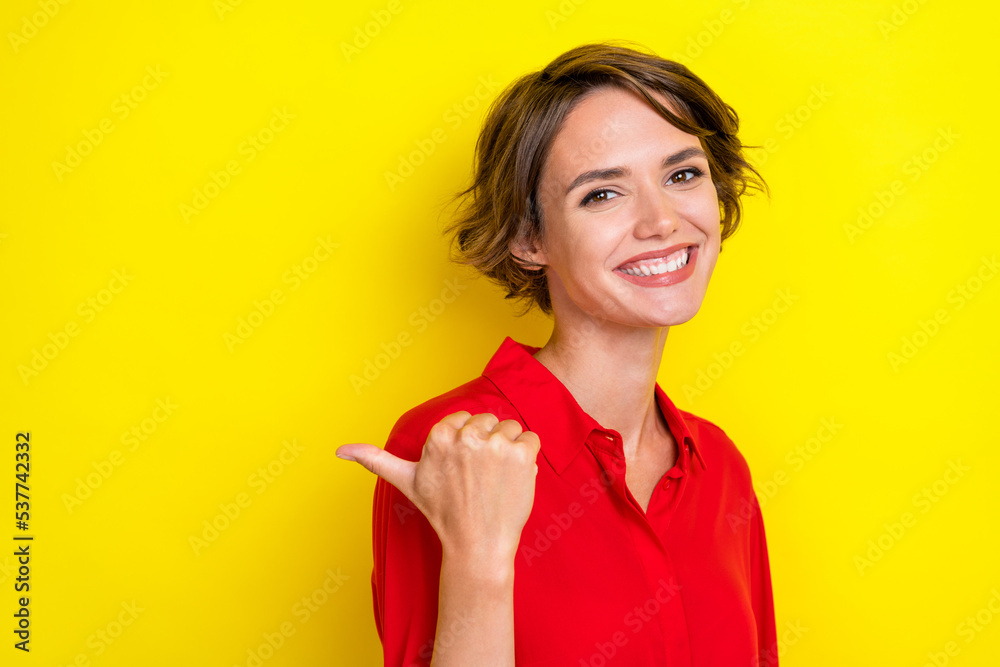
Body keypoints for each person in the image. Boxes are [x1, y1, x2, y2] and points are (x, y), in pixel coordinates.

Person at [338, 41, 777, 666]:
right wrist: (479, 558)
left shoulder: (721, 469)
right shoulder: (451, 449)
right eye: (602, 194)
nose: (662, 221)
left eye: (682, 175)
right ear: (528, 237)